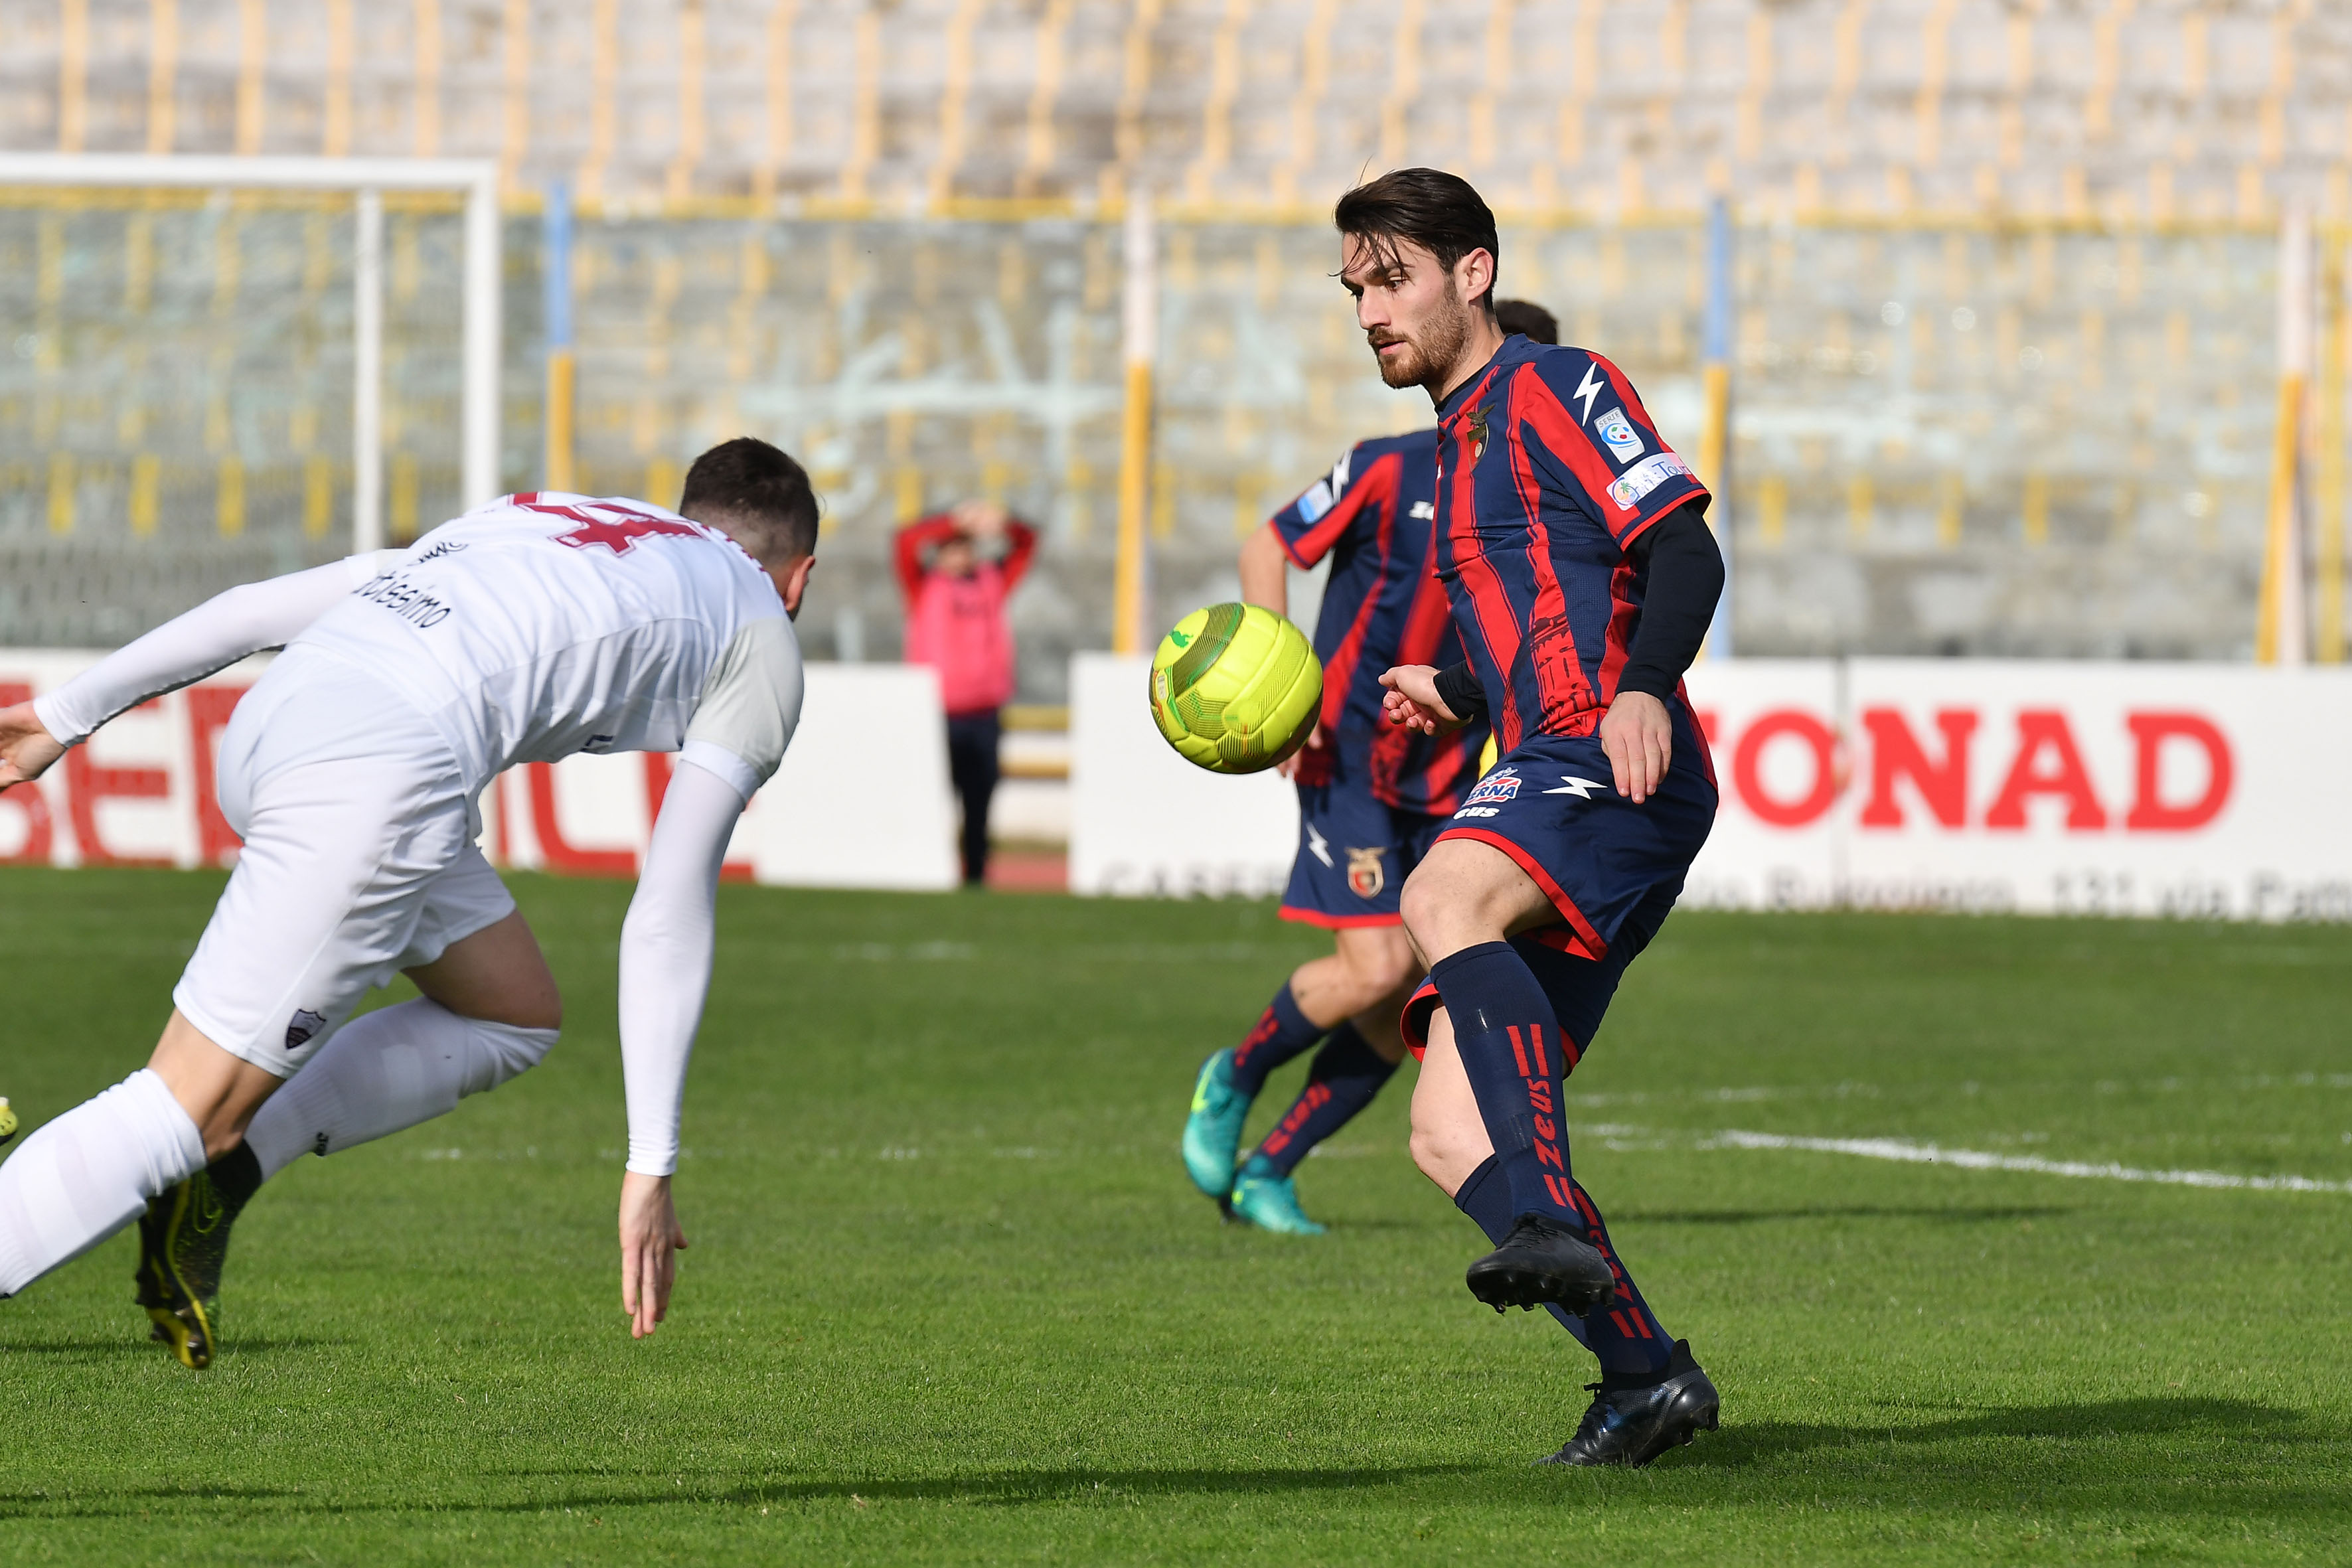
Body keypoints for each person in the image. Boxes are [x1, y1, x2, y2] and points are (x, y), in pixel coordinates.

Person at [0, 437, 819, 1368]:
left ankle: (223, 1175)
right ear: (799, 579)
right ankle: (211, 1151)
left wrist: (66, 714)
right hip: (381, 772)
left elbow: (249, 611)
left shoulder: (550, 517)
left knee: (512, 1011)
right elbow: (667, 906)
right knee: (184, 1106)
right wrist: (650, 1162)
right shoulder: (761, 629)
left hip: (280, 716)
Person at [1344, 169, 1729, 1468]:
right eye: (1352, 286)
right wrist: (1454, 686)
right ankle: (1644, 1377)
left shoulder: (1562, 387)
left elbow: (1683, 548)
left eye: (1390, 277)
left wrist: (1637, 691)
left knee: (1439, 897)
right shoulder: (1452, 450)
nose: (1367, 309)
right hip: (1553, 756)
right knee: (1446, 1130)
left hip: (1613, 761)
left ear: (1472, 271)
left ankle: (1554, 1222)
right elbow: (1539, 614)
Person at [1181, 303, 1562, 1235]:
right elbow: (1267, 543)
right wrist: (1284, 693)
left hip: (1451, 771)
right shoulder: (1387, 467)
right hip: (1347, 754)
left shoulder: (1541, 504)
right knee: (1378, 962)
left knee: (1414, 990)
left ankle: (1269, 1167)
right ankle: (1233, 1074)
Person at [895, 501, 1038, 887]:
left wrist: (1002, 522)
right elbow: (905, 541)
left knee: (980, 800)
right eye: (952, 547)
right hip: (938, 712)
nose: (960, 556)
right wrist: (954, 521)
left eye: (966, 546)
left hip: (984, 711)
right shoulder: (923, 585)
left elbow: (1027, 543)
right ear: (939, 552)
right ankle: (929, 869)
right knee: (933, 798)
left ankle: (975, 872)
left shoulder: (992, 581)